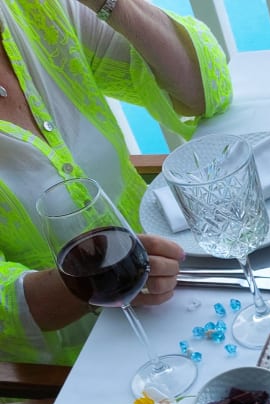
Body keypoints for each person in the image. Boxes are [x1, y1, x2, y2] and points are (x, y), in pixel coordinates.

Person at [0, 0, 232, 366]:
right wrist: (100, 282)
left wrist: (112, 4)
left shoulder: (38, 9)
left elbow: (202, 93)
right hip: (79, 362)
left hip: (183, 276)